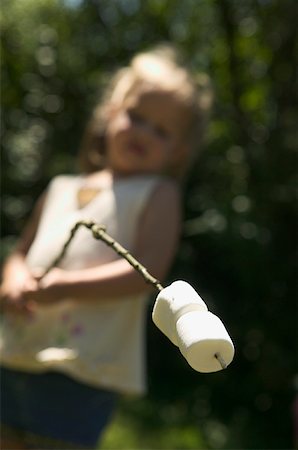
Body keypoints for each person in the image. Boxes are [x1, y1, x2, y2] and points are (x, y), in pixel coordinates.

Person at [0, 44, 212, 449]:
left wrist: (64, 286)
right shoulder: (63, 187)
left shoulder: (158, 193)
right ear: (111, 113)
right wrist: (13, 280)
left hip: (85, 368)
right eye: (136, 116)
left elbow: (145, 270)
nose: (143, 132)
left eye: (162, 130)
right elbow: (20, 253)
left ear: (178, 151)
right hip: (16, 351)